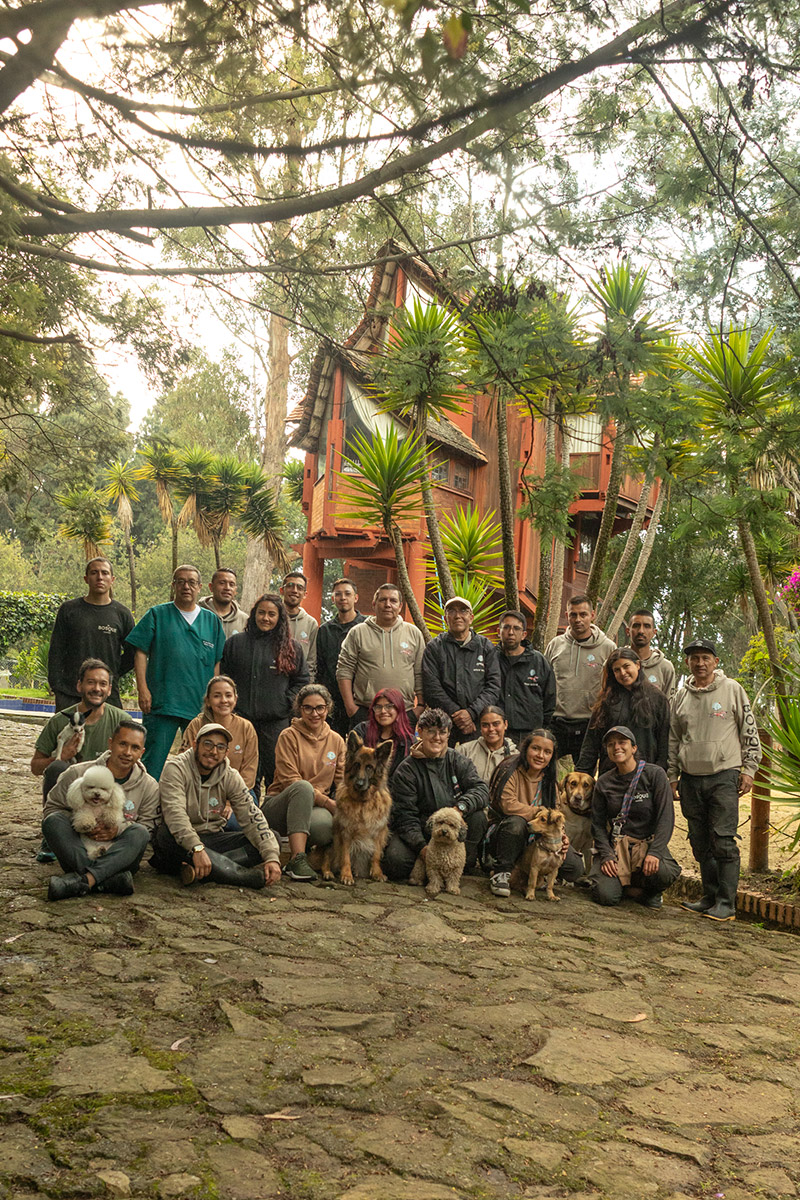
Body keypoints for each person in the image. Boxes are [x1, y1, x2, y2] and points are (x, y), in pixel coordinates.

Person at [668, 637, 762, 923]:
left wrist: (749, 770)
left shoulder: (732, 690)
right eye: (694, 658)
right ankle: (709, 897)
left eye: (705, 657)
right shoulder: (680, 697)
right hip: (690, 779)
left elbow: (750, 732)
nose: (700, 663)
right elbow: (673, 738)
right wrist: (673, 775)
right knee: (699, 842)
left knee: (723, 840)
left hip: (724, 775)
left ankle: (726, 903)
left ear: (715, 662)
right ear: (687, 662)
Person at [126, 564, 226, 780]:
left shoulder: (212, 622)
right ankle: (144, 808)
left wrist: (214, 700)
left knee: (202, 763)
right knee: (151, 763)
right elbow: (140, 653)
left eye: (191, 582)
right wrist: (143, 689)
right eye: (180, 581)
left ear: (200, 587)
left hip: (199, 705)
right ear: (173, 586)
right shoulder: (157, 614)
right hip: (163, 702)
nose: (186, 586)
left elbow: (216, 664)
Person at [152, 723, 282, 889]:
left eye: (220, 747)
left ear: (226, 752)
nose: (213, 752)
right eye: (208, 744)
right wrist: (196, 848)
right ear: (195, 744)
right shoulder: (176, 768)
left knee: (272, 839)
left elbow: (251, 816)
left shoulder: (230, 776)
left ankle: (200, 869)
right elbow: (175, 814)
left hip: (213, 838)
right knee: (165, 835)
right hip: (182, 840)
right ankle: (240, 875)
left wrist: (271, 857)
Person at [42, 720, 158, 900]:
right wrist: (79, 823)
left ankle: (83, 880)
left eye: (135, 748)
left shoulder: (149, 786)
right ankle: (108, 880)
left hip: (119, 854)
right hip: (80, 847)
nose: (128, 752)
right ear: (110, 743)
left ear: (141, 752)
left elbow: (148, 827)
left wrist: (117, 829)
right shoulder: (77, 773)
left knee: (140, 833)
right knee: (53, 821)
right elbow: (52, 808)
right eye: (122, 744)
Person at [31, 659, 128, 860]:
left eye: (103, 684)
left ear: (110, 689)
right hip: (71, 793)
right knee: (56, 767)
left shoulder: (121, 721)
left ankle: (112, 832)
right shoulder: (60, 721)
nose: (97, 689)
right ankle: (52, 834)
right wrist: (61, 756)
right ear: (79, 685)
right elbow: (35, 767)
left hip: (106, 794)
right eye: (91, 682)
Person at [385, 708, 489, 881]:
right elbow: (405, 817)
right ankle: (429, 865)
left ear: (448, 735)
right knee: (395, 861)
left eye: (442, 732)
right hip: (422, 831)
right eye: (431, 732)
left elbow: (481, 790)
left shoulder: (458, 760)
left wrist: (459, 809)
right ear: (420, 732)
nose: (437, 737)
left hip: (454, 832)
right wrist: (424, 850)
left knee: (478, 816)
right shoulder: (406, 770)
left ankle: (463, 862)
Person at [220, 594, 309, 793]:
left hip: (275, 723)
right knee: (241, 772)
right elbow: (224, 678)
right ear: (253, 615)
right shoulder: (235, 644)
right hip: (241, 721)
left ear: (279, 618)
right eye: (261, 613)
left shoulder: (291, 648)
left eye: (271, 614)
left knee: (276, 773)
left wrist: (283, 703)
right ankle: (243, 814)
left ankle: (272, 814)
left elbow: (301, 682)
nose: (266, 618)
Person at [486, 728, 585, 897]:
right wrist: (540, 812)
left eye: (547, 752)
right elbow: (508, 805)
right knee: (517, 823)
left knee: (575, 867)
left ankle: (536, 873)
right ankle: (501, 871)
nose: (541, 755)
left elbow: (556, 813)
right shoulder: (509, 769)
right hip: (507, 834)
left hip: (540, 839)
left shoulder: (549, 780)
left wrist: (562, 837)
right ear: (526, 749)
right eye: (536, 749)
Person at [590, 726, 681, 909]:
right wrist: (607, 855)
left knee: (664, 873)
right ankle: (625, 887)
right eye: (611, 744)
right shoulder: (604, 782)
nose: (617, 747)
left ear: (634, 748)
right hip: (617, 847)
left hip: (646, 845)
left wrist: (655, 853)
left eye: (622, 742)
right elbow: (597, 825)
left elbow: (666, 818)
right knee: (606, 896)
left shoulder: (654, 775)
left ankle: (649, 891)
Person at [264, 684, 345, 882]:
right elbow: (289, 780)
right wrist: (327, 803)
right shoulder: (288, 736)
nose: (314, 713)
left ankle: (313, 853)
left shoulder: (336, 740)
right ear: (300, 709)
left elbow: (343, 781)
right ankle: (296, 859)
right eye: (308, 708)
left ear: (328, 708)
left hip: (313, 808)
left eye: (320, 708)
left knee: (326, 827)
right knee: (302, 787)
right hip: (279, 804)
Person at [47, 557, 134, 711]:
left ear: (112, 579)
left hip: (107, 695)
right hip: (70, 693)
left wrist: (112, 672)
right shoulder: (69, 610)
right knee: (69, 736)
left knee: (110, 735)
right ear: (86, 579)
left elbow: (132, 653)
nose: (100, 577)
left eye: (105, 573)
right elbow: (56, 650)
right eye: (94, 573)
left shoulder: (122, 614)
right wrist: (57, 686)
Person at [336, 583, 425, 728]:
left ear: (400, 606)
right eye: (383, 600)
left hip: (404, 711)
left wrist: (420, 706)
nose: (388, 605)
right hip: (366, 711)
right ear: (374, 604)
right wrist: (351, 708)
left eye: (393, 601)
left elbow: (419, 672)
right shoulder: (358, 632)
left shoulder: (413, 633)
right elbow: (344, 670)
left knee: (403, 751)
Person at [544, 593, 616, 763]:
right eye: (573, 614)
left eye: (583, 614)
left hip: (590, 723)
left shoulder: (608, 648)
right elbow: (545, 682)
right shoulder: (555, 645)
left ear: (592, 615)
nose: (578, 619)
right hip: (557, 722)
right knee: (544, 772)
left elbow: (613, 687)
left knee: (585, 777)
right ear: (566, 615)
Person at [576, 647, 670, 777]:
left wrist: (660, 774)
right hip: (612, 776)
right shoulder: (606, 701)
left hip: (647, 775)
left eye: (627, 666)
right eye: (617, 670)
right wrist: (582, 772)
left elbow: (664, 741)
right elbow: (591, 742)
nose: (623, 673)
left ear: (637, 665)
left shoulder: (657, 698)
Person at [421, 597, 501, 745]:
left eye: (463, 611)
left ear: (471, 618)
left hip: (478, 724)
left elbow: (493, 686)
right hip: (444, 725)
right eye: (452, 611)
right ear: (446, 618)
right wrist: (458, 716)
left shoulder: (486, 647)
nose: (458, 616)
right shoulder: (435, 647)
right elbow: (432, 688)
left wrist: (471, 713)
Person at [181, 676, 258, 793]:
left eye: (228, 695)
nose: (223, 700)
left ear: (235, 699)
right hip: (200, 789)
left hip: (238, 791)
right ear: (208, 701)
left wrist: (230, 801)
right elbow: (184, 762)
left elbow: (249, 771)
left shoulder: (246, 727)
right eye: (217, 696)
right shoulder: (196, 725)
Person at [497, 609, 556, 746]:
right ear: (498, 631)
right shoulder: (491, 659)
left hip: (530, 732)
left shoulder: (538, 661)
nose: (511, 632)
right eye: (506, 627)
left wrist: (542, 727)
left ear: (524, 634)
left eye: (516, 628)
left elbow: (550, 698)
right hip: (498, 731)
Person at [315, 577, 365, 735]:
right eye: (338, 594)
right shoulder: (325, 630)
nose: (343, 598)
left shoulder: (366, 626)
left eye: (347, 594)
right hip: (332, 701)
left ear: (355, 597)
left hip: (360, 700)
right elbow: (320, 667)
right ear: (333, 598)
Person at [351, 688, 415, 780]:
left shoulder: (409, 741)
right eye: (378, 707)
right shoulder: (362, 730)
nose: (383, 711)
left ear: (398, 708)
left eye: (389, 706)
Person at [625, 609, 676, 698]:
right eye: (636, 626)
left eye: (647, 626)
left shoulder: (665, 667)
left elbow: (669, 706)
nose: (641, 631)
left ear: (654, 632)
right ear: (627, 631)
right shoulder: (615, 664)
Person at [458, 706, 517, 781]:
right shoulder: (465, 751)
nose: (491, 729)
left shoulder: (515, 756)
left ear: (505, 724)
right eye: (485, 725)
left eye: (496, 724)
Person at [280, 570, 319, 679]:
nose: (294, 591)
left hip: (299, 681)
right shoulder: (273, 618)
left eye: (300, 588)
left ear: (305, 594)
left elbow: (311, 661)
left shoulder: (311, 623)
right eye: (290, 586)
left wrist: (306, 685)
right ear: (282, 590)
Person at [198, 567, 248, 639]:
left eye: (231, 584)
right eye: (222, 583)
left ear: (235, 590)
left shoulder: (244, 620)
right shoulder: (198, 614)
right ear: (211, 587)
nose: (227, 588)